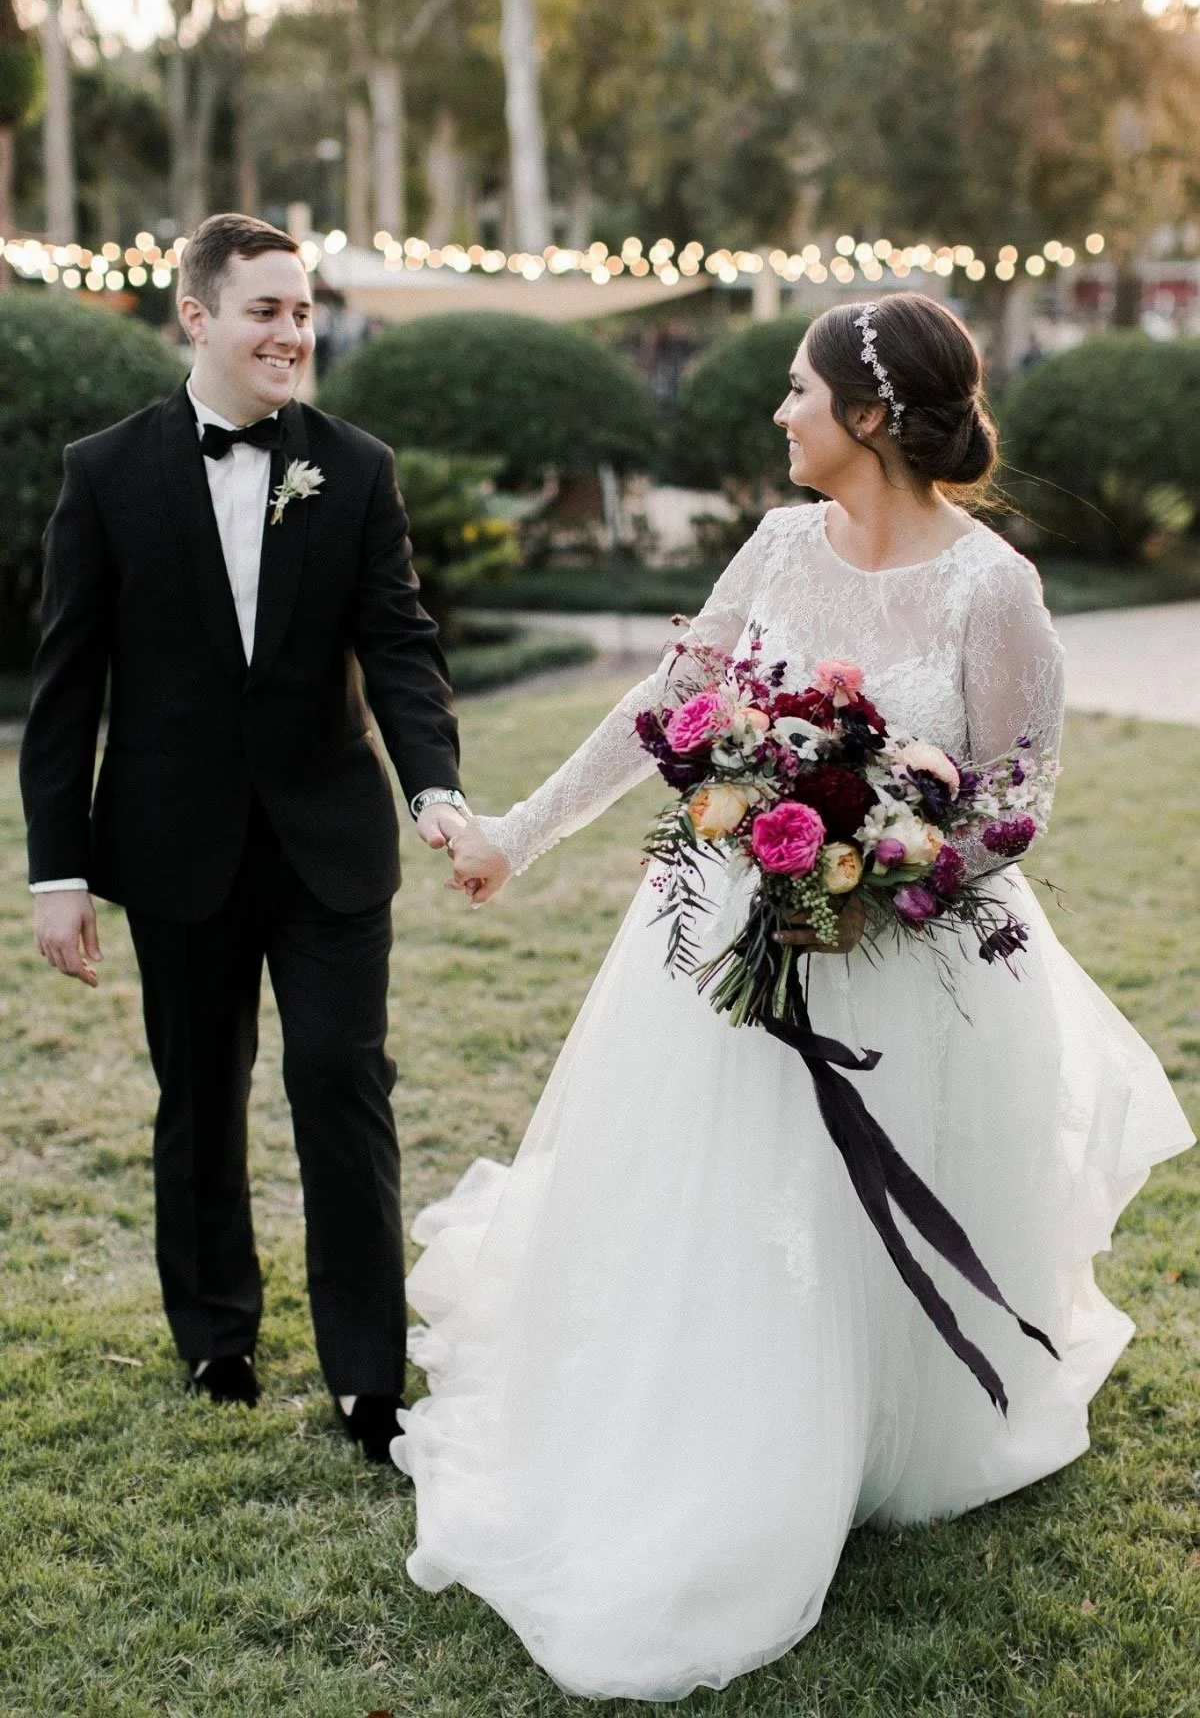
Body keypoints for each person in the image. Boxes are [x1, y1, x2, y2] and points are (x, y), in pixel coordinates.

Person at [400, 293, 1194, 1701]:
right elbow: (672, 706)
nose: (779, 414)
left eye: (798, 393)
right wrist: (518, 836)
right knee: (727, 1199)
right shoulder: (773, 546)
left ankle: (892, 1422)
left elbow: (1017, 798)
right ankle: (732, 1420)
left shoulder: (990, 586)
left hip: (908, 962)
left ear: (871, 416)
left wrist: (888, 874)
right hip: (723, 946)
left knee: (869, 1211)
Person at [20, 212, 473, 1465]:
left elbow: (399, 646)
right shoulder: (105, 473)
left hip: (330, 843)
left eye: (302, 308)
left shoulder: (358, 467)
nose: (293, 331)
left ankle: (367, 1379)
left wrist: (433, 788)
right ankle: (217, 1335)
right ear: (198, 317)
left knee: (343, 1088)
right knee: (199, 1097)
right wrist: (57, 873)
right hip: (173, 848)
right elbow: (66, 691)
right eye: (267, 309)